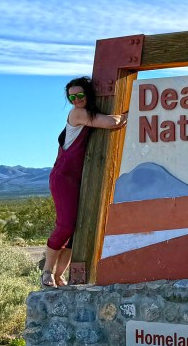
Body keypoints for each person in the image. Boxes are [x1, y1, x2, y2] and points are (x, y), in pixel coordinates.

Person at [42, 76, 127, 287]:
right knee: (65, 226)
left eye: (80, 95)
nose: (77, 100)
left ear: (88, 93)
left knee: (75, 230)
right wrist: (131, 111)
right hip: (63, 179)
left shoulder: (86, 112)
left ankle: (60, 275)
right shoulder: (78, 114)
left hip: (77, 179)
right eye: (72, 97)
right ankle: (46, 272)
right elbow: (112, 123)